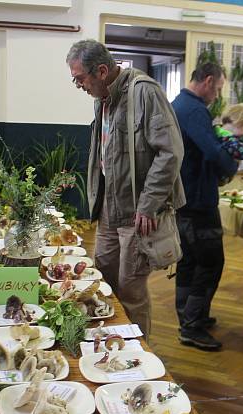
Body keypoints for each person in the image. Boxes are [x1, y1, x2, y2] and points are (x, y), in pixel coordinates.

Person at [66, 39, 185, 337]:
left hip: (138, 212)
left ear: (102, 71)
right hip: (109, 208)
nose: (78, 85)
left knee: (131, 290)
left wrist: (149, 204)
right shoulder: (102, 98)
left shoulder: (145, 93)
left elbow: (170, 152)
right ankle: (108, 343)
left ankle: (137, 357)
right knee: (103, 280)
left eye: (80, 78)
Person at [172, 63, 238, 351]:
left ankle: (188, 313)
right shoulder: (195, 109)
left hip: (183, 198)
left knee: (189, 261)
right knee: (210, 263)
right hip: (198, 202)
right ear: (208, 81)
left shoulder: (178, 104)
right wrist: (231, 165)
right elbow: (213, 151)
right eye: (219, 88)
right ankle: (192, 325)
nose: (217, 95)